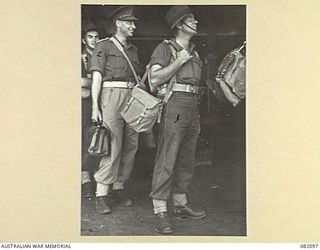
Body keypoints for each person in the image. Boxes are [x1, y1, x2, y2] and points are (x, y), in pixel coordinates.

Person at [149, 5, 206, 234]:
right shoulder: (165, 49)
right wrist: (179, 61)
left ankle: (181, 204)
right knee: (168, 156)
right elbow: (154, 79)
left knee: (186, 157)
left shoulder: (194, 50)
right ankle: (160, 209)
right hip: (176, 105)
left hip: (192, 105)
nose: (196, 22)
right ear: (180, 24)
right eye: (191, 19)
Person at [90, 6, 142, 214]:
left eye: (134, 22)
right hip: (111, 96)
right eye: (129, 22)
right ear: (118, 23)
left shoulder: (133, 50)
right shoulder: (103, 46)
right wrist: (95, 106)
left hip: (132, 98)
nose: (133, 26)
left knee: (132, 144)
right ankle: (101, 193)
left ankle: (118, 187)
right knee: (112, 145)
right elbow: (97, 77)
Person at [81, 22, 100, 198]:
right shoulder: (80, 58)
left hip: (100, 104)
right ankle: (85, 179)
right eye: (90, 37)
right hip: (84, 107)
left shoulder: (101, 56)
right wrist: (94, 82)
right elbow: (79, 84)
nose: (94, 40)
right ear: (83, 39)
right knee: (85, 140)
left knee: (99, 141)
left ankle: (95, 179)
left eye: (96, 37)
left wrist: (89, 82)